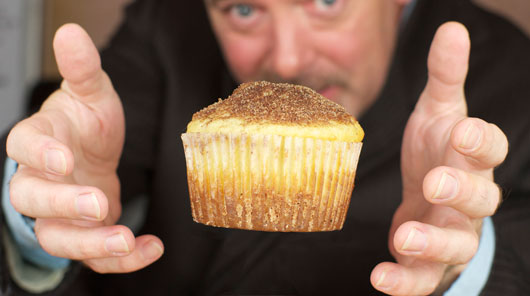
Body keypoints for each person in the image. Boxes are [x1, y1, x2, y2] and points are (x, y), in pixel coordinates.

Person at [1, 0, 529, 295]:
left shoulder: (507, 71)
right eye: (244, 11)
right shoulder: (163, 29)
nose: (290, 59)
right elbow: (72, 153)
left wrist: (462, 265)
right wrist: (42, 207)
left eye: (326, 2)